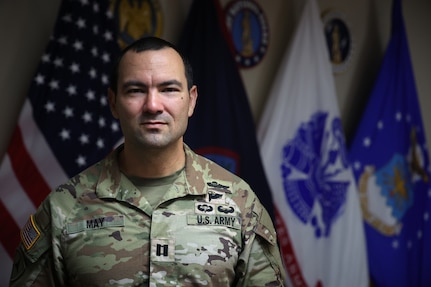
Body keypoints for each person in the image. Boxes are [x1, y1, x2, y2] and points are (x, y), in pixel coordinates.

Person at [9, 36, 286, 287]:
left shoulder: (239, 203)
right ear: (114, 103)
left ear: (190, 101)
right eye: (135, 90)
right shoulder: (65, 208)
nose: (153, 105)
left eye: (168, 89)